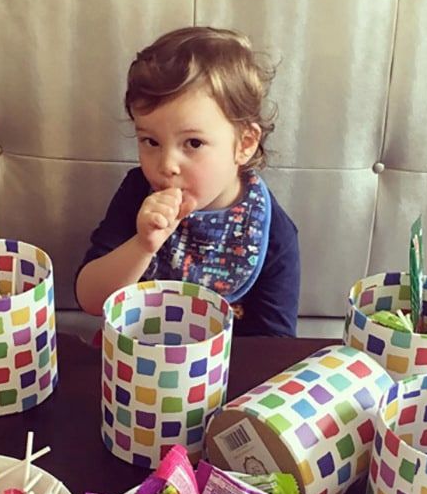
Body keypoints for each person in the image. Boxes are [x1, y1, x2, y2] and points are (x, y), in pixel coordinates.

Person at [75, 26, 300, 337]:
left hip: (219, 375)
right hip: (133, 360)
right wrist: (143, 245)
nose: (166, 165)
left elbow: (276, 349)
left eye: (193, 143)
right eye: (150, 141)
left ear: (245, 143)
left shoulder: (273, 232)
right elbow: (89, 299)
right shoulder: (138, 191)